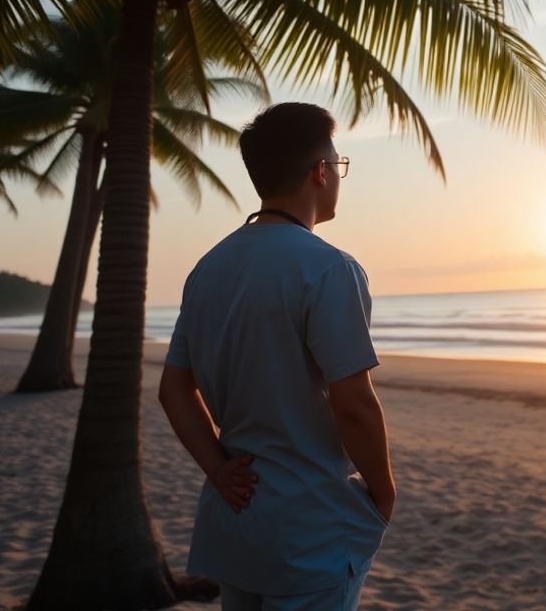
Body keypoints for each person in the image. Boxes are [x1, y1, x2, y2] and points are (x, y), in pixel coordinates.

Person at [159, 102, 395, 610]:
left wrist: (218, 468)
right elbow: (353, 402)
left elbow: (174, 388)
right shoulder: (328, 268)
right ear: (320, 171)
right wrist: (383, 491)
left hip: (237, 520)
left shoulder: (208, 269)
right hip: (308, 526)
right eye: (339, 164)